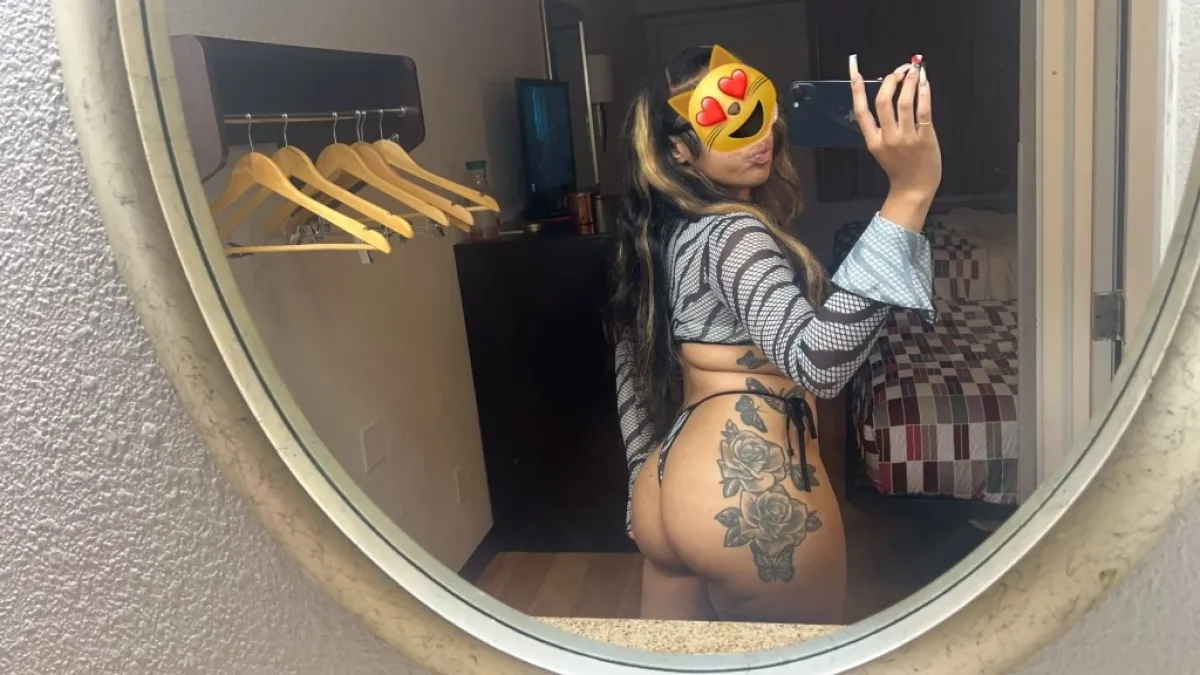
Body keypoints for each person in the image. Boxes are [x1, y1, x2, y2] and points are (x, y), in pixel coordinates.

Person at [608, 45, 940, 624]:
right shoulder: (734, 233)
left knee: (668, 664)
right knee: (794, 659)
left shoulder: (666, 233)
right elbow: (818, 364)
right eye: (723, 119)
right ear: (678, 149)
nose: (757, 135)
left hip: (668, 485)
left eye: (759, 111)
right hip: (749, 491)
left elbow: (629, 354)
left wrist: (642, 472)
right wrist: (909, 193)